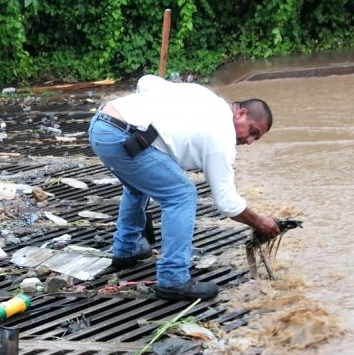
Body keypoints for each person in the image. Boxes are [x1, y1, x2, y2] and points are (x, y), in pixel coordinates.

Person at [88, 74, 281, 302]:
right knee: (182, 194)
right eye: (252, 132)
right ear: (241, 113)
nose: (248, 141)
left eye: (254, 139)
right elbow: (226, 202)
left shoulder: (205, 96)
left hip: (101, 126)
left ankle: (127, 248)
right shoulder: (222, 135)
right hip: (122, 138)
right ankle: (173, 279)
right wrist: (259, 222)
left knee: (138, 185)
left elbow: (146, 81)